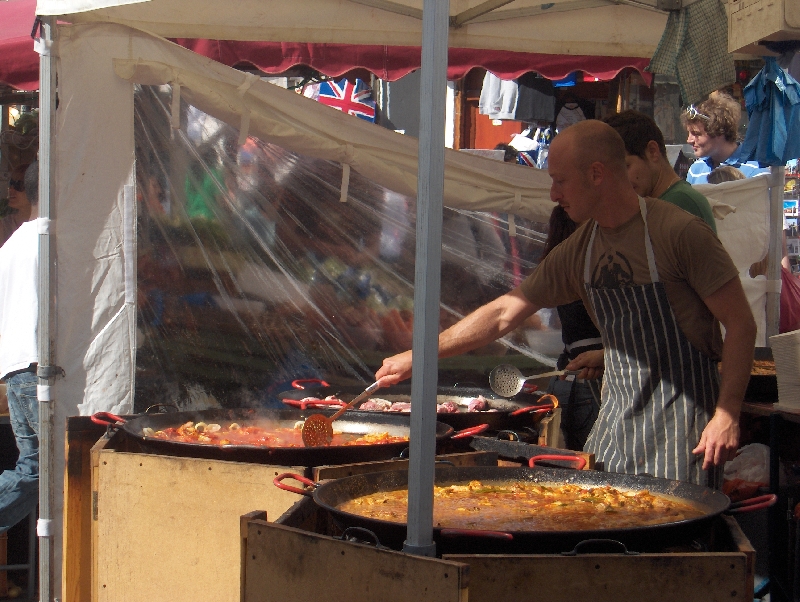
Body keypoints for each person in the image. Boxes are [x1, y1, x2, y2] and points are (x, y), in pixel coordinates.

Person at [376, 120, 757, 487]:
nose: (554, 195)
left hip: (684, 432)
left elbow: (741, 324)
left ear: (596, 174)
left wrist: (727, 414)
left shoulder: (679, 232)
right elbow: (504, 312)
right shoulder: (581, 248)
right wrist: (420, 354)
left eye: (559, 181)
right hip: (614, 432)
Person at [540, 205, 602, 451]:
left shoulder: (556, 268)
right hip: (590, 384)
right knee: (594, 468)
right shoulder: (586, 268)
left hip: (566, 380)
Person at [0, 161, 41, 532]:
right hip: (36, 370)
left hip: (15, 371)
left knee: (34, 469)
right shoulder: (51, 237)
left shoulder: (12, 245)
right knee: (40, 469)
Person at [605, 110, 717, 232]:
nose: (618, 180)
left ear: (652, 151)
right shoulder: (650, 204)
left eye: (625, 166)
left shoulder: (680, 203)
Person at [683, 91, 769, 184]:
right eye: (689, 133)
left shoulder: (756, 171)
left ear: (719, 131)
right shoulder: (696, 170)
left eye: (696, 134)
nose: (689, 140)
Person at [1, 163, 33, 247]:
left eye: (18, 185)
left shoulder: (44, 224)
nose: (11, 189)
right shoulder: (4, 226)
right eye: (10, 184)